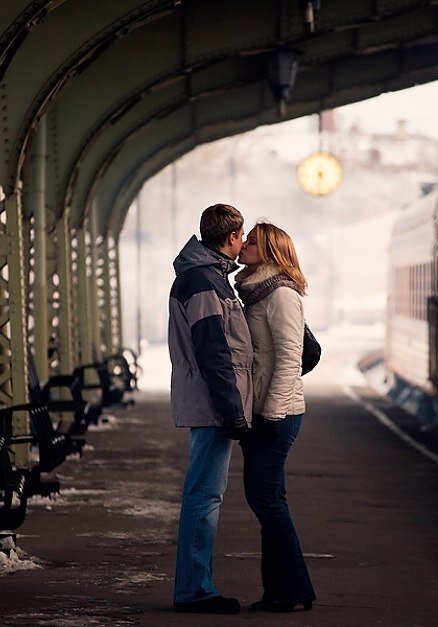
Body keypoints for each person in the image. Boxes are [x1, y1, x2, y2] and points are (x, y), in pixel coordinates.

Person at [168, 203, 253, 614]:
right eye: (242, 237)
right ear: (233, 237)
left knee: (204, 494)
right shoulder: (205, 282)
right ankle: (194, 590)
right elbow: (214, 353)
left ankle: (194, 585)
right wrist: (232, 411)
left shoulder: (208, 277)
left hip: (209, 402)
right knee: (204, 496)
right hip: (210, 405)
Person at [234, 222, 317, 612]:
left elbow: (290, 360)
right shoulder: (254, 291)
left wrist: (270, 415)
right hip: (264, 410)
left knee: (265, 499)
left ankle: (293, 588)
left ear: (269, 251)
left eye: (252, 241)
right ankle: (282, 590)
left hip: (278, 413)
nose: (244, 245)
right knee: (270, 499)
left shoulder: (280, 294)